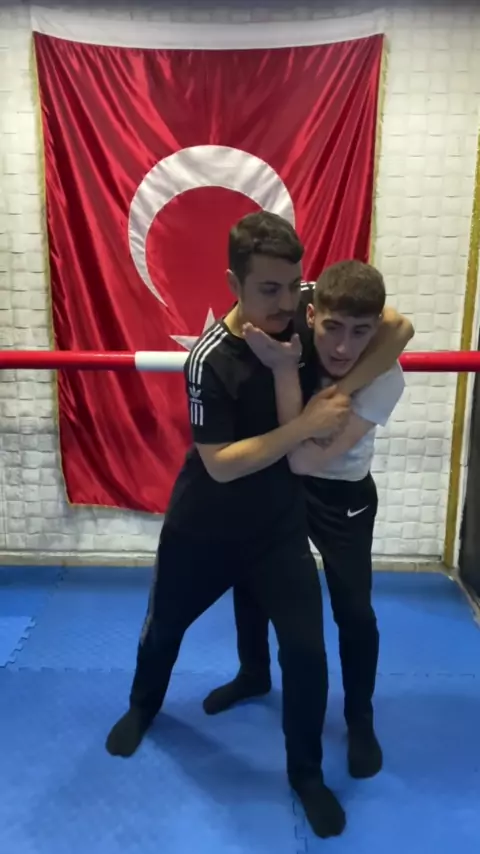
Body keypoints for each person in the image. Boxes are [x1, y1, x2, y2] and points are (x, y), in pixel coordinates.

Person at [105, 213, 413, 839]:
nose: (285, 303)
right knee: (165, 624)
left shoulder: (303, 309)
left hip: (277, 525)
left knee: (306, 651)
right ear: (234, 283)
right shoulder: (207, 359)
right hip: (206, 523)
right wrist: (303, 425)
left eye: (293, 286)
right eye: (269, 289)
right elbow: (220, 464)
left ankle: (306, 774)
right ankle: (143, 705)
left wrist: (341, 391)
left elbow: (397, 326)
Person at [203, 259, 407, 782]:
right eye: (333, 328)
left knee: (354, 609)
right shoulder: (290, 333)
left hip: (341, 493)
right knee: (252, 583)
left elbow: (306, 459)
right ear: (312, 315)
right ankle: (253, 673)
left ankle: (359, 718)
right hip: (280, 482)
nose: (342, 347)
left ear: (374, 332)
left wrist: (333, 390)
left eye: (360, 332)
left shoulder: (386, 378)